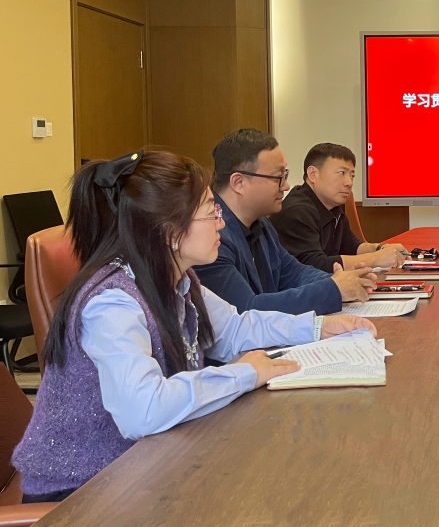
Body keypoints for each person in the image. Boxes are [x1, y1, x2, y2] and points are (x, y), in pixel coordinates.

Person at [13, 150, 376, 502]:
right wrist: (244, 373)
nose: (222, 222)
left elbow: (234, 329)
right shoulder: (112, 303)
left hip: (149, 466)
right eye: (210, 212)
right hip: (85, 493)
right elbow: (143, 410)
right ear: (171, 231)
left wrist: (317, 328)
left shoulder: (176, 277)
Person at [194, 129, 377, 315]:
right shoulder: (210, 236)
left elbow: (293, 272)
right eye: (278, 178)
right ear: (239, 182)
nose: (286, 186)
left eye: (285, 176)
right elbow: (247, 311)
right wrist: (333, 289)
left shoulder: (262, 225)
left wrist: (340, 281)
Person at [271, 143, 407, 272]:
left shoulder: (333, 205)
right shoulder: (297, 211)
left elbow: (351, 246)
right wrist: (376, 258)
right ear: (313, 174)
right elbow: (315, 265)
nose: (349, 182)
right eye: (341, 173)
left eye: (352, 176)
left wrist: (380, 248)